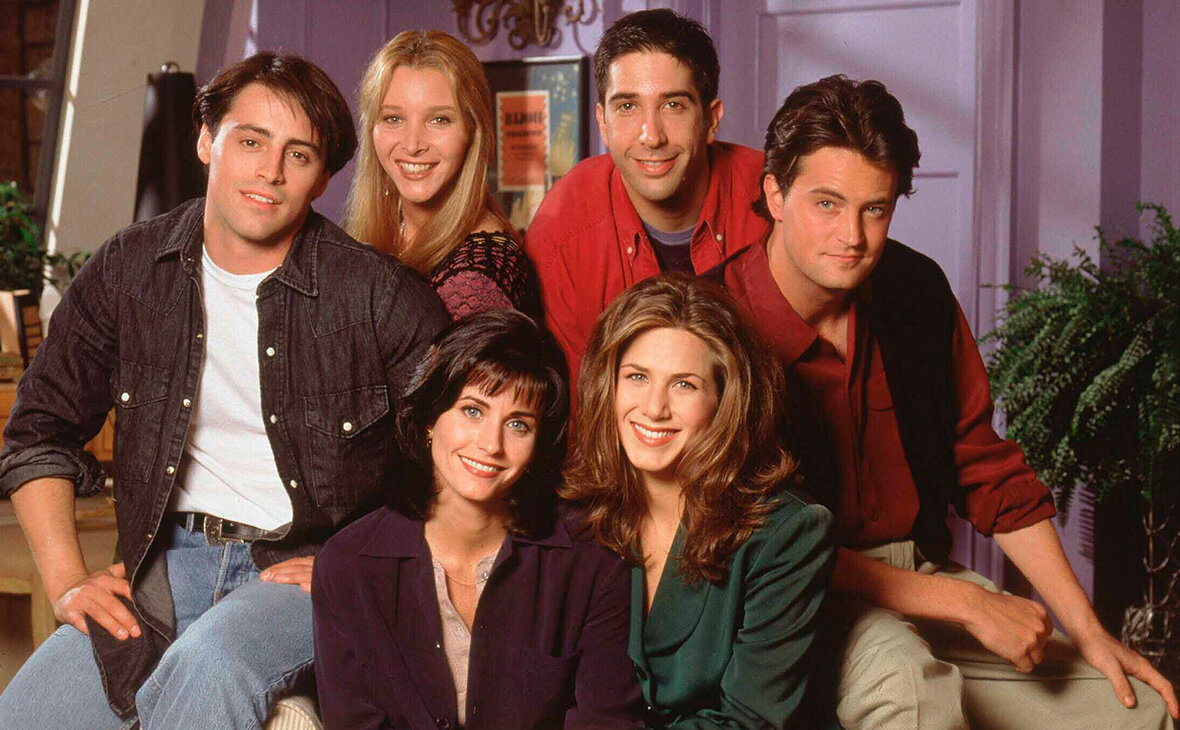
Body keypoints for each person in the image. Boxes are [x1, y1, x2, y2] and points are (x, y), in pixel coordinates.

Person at [710, 74, 1179, 729]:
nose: (852, 236)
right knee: (915, 694)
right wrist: (967, 604)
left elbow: (985, 467)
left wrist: (1087, 628)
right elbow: (746, 533)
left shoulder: (915, 290)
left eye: (875, 209)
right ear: (775, 195)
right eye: (827, 204)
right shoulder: (711, 325)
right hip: (792, 599)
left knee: (1138, 711)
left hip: (923, 575)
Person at [0, 52, 449, 729]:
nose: (271, 171)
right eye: (251, 141)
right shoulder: (129, 270)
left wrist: (360, 561)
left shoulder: (378, 296)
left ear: (323, 178)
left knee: (211, 666)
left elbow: (462, 459)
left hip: (309, 572)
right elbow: (40, 430)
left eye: (299, 154)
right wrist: (66, 581)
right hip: (165, 566)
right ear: (207, 140)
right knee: (30, 714)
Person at [312, 309, 644, 729]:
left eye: (518, 424)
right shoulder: (347, 566)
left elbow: (606, 722)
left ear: (539, 444)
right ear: (430, 418)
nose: (491, 444)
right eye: (472, 411)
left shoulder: (591, 563)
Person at [562, 274, 837, 728]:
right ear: (607, 385)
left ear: (725, 400)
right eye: (637, 377)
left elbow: (748, 721)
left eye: (684, 385)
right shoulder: (577, 509)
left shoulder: (788, 532)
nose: (654, 408)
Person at [525, 9, 770, 394]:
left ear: (711, 119)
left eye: (673, 105)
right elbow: (575, 408)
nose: (651, 136)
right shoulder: (564, 224)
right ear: (603, 123)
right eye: (627, 106)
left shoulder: (773, 200)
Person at [346, 30, 540, 320]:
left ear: (473, 130)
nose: (412, 144)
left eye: (439, 120)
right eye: (393, 118)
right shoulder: (390, 234)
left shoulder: (476, 281)